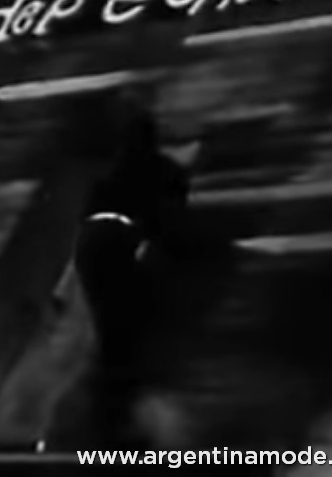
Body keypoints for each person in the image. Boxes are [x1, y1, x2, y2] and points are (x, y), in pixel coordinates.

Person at [73, 86, 191, 444]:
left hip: (96, 243)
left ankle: (106, 419)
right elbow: (168, 218)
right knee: (125, 334)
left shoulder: (107, 173)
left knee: (110, 333)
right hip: (124, 244)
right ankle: (118, 421)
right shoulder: (165, 171)